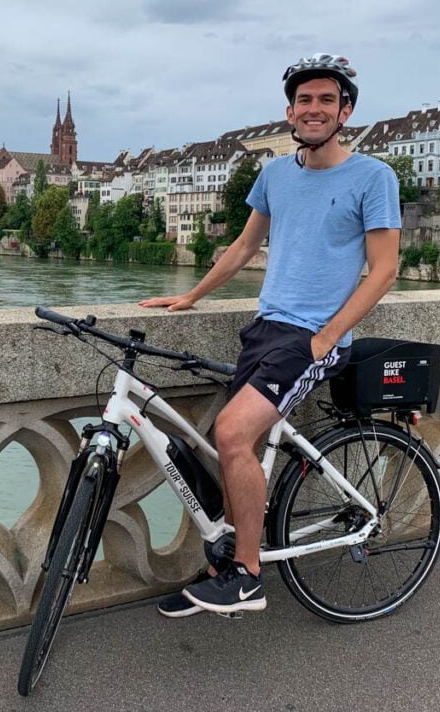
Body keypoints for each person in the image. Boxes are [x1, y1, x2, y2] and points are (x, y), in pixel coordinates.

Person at [139, 53, 401, 616]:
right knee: (233, 442)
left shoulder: (374, 177)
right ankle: (226, 564)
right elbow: (243, 246)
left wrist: (329, 336)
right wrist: (191, 296)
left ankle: (247, 576)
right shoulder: (274, 174)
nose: (314, 109)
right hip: (265, 328)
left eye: (326, 100)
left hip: (313, 337)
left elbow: (384, 269)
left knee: (232, 432)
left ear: (345, 111)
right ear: (290, 110)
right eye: (305, 100)